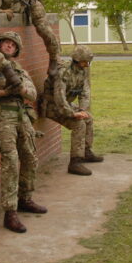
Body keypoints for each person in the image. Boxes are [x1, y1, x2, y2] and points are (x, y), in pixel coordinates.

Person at [0, 31, 47, 233]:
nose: (9, 46)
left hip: (21, 116)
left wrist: (20, 89)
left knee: (30, 157)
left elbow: (32, 93)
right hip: (2, 117)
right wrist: (3, 92)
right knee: (11, 161)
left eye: (13, 45)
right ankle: (10, 212)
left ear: (16, 50)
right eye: (6, 43)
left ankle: (25, 198)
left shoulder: (19, 69)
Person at [40, 45, 103, 176]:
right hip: (52, 106)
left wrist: (82, 110)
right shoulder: (63, 72)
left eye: (88, 62)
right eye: (85, 62)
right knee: (78, 124)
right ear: (77, 60)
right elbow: (59, 97)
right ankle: (75, 162)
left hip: (65, 104)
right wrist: (73, 114)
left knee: (88, 118)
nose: (87, 65)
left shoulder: (82, 71)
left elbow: (85, 92)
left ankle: (86, 151)